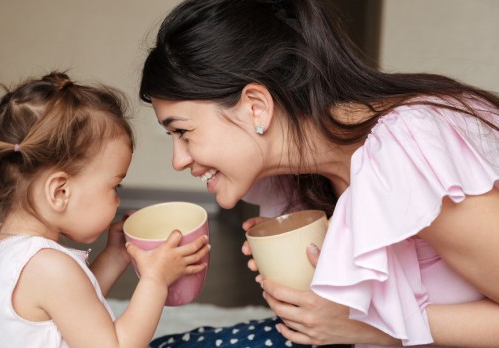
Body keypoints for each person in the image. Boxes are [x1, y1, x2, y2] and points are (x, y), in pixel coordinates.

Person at [139, 0, 499, 347]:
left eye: (183, 132)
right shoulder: (309, 171)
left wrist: (371, 325)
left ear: (256, 107)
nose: (178, 160)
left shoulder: (411, 150)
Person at [0, 72, 211, 348]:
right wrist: (155, 280)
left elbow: (76, 313)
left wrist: (115, 256)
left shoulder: (2, 245)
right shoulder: (49, 267)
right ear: (60, 192)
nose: (117, 201)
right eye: (115, 186)